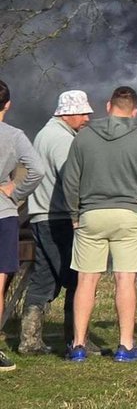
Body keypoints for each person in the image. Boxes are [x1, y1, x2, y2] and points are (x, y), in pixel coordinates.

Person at [62, 86, 137, 363]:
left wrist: (74, 214)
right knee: (125, 279)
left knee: (86, 279)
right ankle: (125, 346)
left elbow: (70, 180)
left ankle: (79, 345)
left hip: (90, 215)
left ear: (108, 106)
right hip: (129, 216)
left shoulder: (83, 138)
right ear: (134, 111)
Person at [21, 90, 96, 356]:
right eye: (83, 113)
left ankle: (30, 340)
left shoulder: (45, 134)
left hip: (42, 215)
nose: (87, 118)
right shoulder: (62, 140)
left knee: (44, 277)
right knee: (77, 277)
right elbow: (72, 178)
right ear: (69, 113)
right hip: (61, 216)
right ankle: (77, 338)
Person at [0, 79, 48, 371]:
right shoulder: (14, 135)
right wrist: (14, 193)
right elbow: (37, 170)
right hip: (2, 213)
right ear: (7, 105)